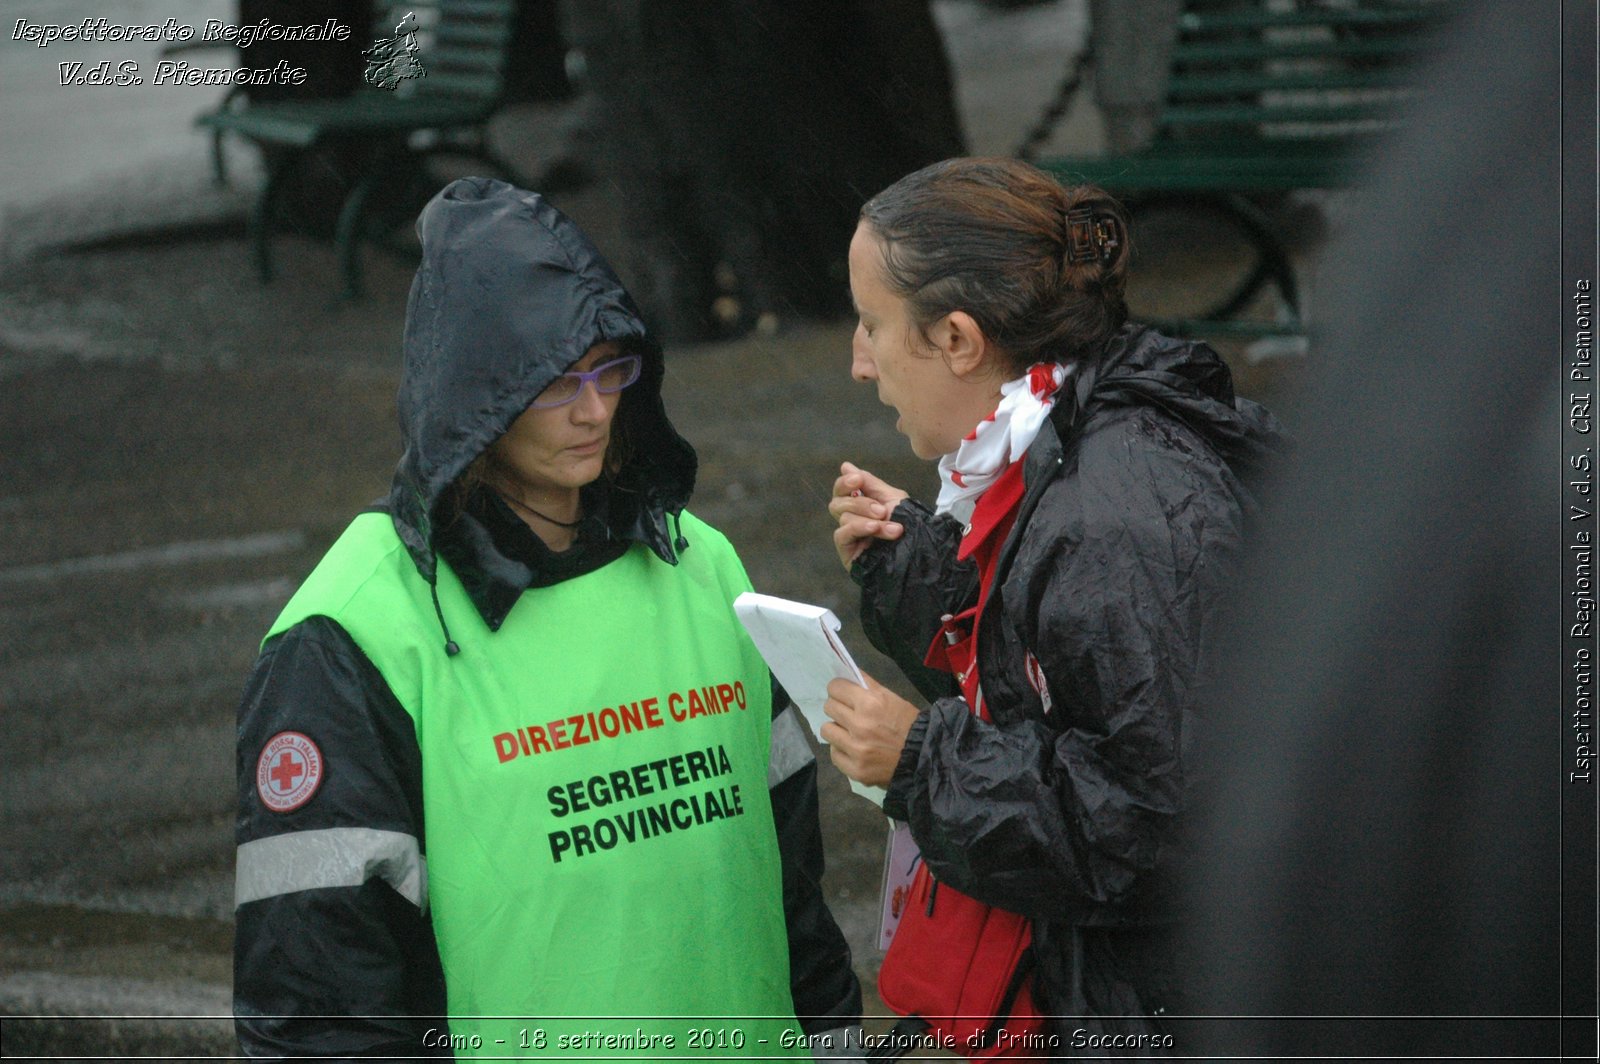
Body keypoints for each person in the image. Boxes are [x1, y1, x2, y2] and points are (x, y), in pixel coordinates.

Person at [233, 177, 862, 1058]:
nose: (596, 408)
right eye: (557, 383)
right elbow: (318, 999)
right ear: (475, 397)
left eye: (612, 370)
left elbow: (789, 881)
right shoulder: (349, 635)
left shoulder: (701, 562)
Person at [822, 157, 1287, 1052]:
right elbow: (1052, 674)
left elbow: (1158, 826)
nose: (856, 362)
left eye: (872, 325)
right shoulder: (1068, 441)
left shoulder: (1115, 513)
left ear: (956, 339)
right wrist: (917, 569)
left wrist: (924, 763)